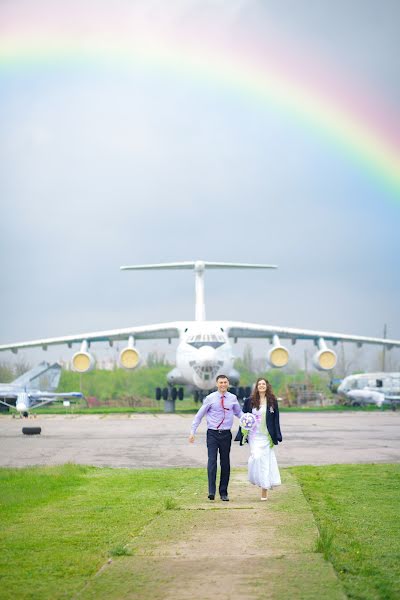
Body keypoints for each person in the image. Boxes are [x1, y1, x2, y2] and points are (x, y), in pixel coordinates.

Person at [189, 374, 243, 501]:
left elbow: (238, 412)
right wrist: (192, 432)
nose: (223, 384)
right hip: (212, 433)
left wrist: (249, 420)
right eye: (221, 382)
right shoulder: (210, 398)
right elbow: (199, 415)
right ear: (217, 384)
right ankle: (211, 491)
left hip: (226, 434)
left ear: (228, 384)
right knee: (212, 461)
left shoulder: (233, 398)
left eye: (225, 382)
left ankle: (223, 492)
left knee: (225, 463)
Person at [235, 378, 282, 500]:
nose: (261, 386)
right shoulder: (249, 401)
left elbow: (276, 419)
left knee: (265, 462)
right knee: (255, 457)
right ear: (256, 386)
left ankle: (264, 491)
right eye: (259, 384)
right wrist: (242, 433)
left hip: (266, 436)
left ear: (267, 386)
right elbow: (243, 418)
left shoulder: (272, 401)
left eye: (263, 384)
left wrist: (277, 435)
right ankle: (254, 477)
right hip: (254, 436)